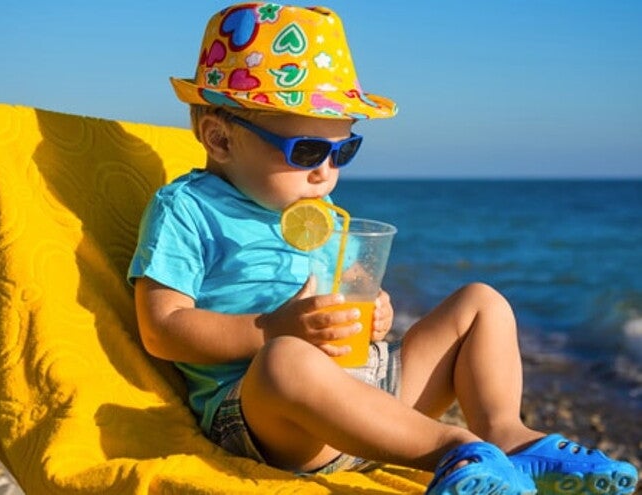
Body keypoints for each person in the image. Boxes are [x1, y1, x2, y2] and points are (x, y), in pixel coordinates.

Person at [128, 3, 639, 494]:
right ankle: (453, 450)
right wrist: (268, 330)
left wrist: (376, 313)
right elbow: (162, 328)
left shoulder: (327, 218)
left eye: (342, 149)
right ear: (220, 140)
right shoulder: (188, 209)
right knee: (286, 358)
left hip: (370, 399)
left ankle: (504, 434)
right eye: (305, 150)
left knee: (481, 303)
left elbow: (346, 296)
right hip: (273, 415)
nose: (325, 171)